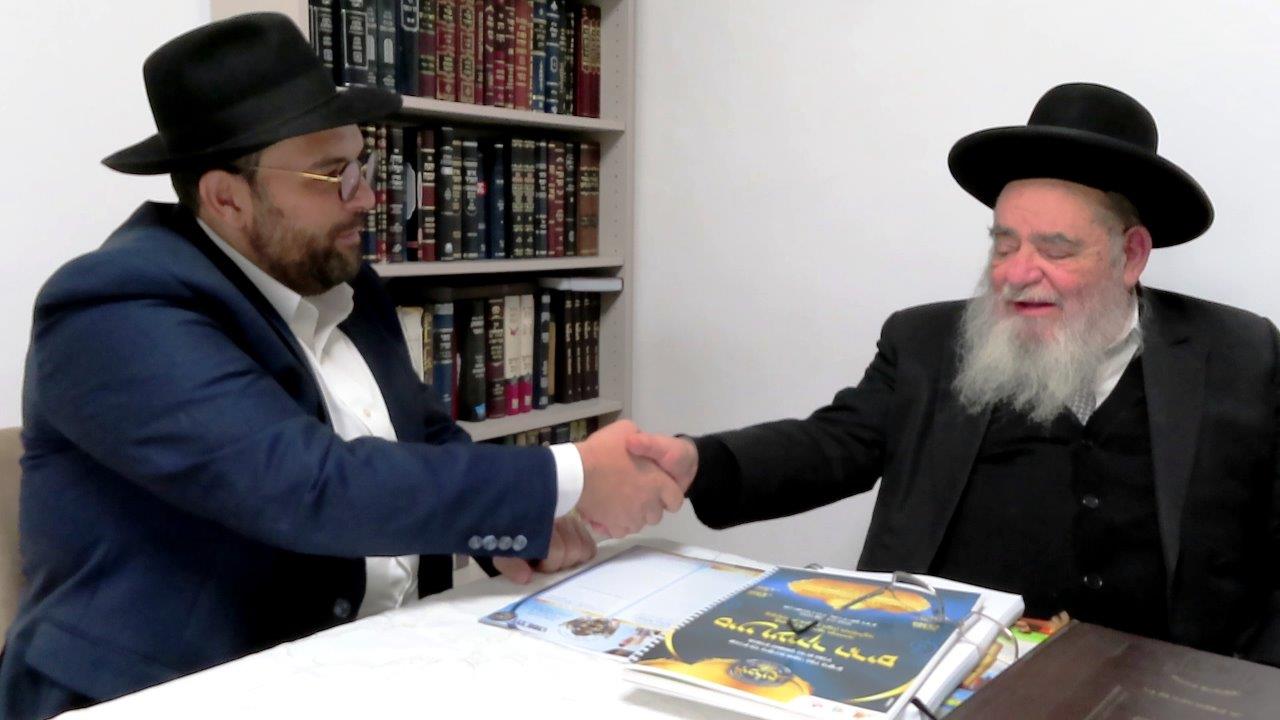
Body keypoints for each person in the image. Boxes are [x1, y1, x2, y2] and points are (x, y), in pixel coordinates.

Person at [0, 13, 682, 719]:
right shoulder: (115, 307)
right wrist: (571, 477)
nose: (366, 196)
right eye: (331, 175)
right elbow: (306, 485)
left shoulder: (335, 275)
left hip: (368, 662)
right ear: (227, 198)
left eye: (362, 164)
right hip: (170, 689)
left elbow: (425, 438)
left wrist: (505, 534)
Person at [628, 83, 1280, 665]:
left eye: (1055, 250)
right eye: (1004, 244)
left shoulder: (1241, 354)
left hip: (1163, 685)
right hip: (949, 671)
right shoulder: (926, 343)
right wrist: (697, 463)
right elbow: (833, 444)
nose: (1016, 273)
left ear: (1131, 255)